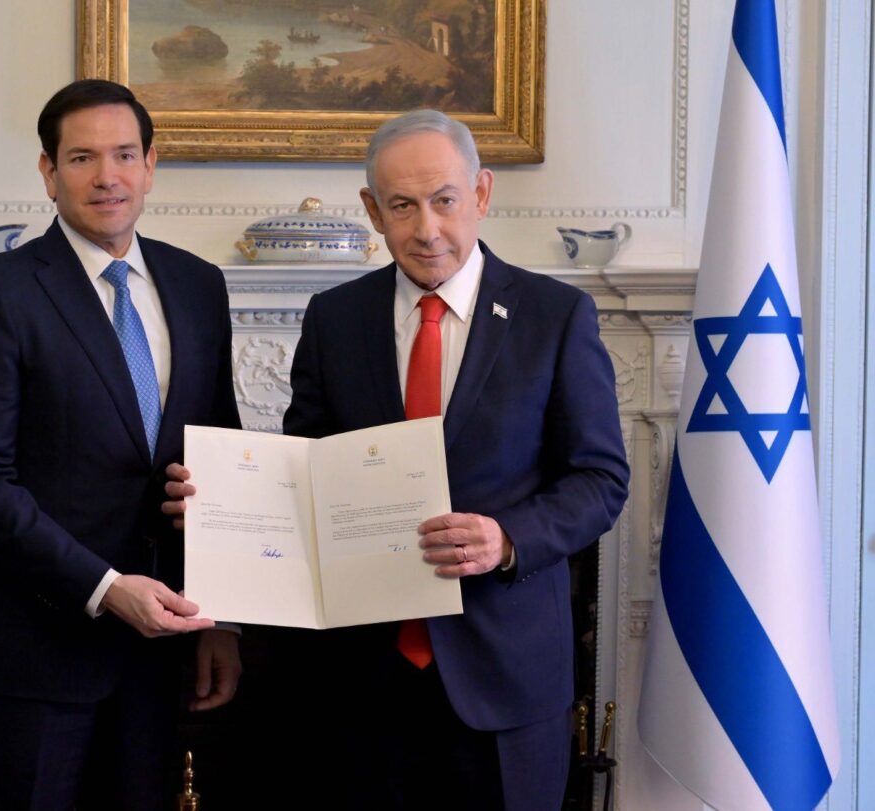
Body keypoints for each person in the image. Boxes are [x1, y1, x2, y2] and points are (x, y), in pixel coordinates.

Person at [167, 109, 629, 810]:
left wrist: (508, 539)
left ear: (480, 194)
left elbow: (601, 479)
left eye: (444, 200)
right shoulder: (335, 316)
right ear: (371, 210)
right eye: (402, 206)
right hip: (359, 680)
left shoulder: (555, 315)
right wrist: (221, 501)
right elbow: (305, 474)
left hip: (505, 675)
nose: (426, 228)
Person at [0, 79, 242, 811]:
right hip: (32, 651)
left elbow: (219, 457)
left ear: (151, 163)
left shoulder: (200, 285)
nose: (107, 176)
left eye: (124, 154)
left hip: (159, 655)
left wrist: (222, 618)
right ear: (48, 171)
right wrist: (105, 589)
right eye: (82, 157)